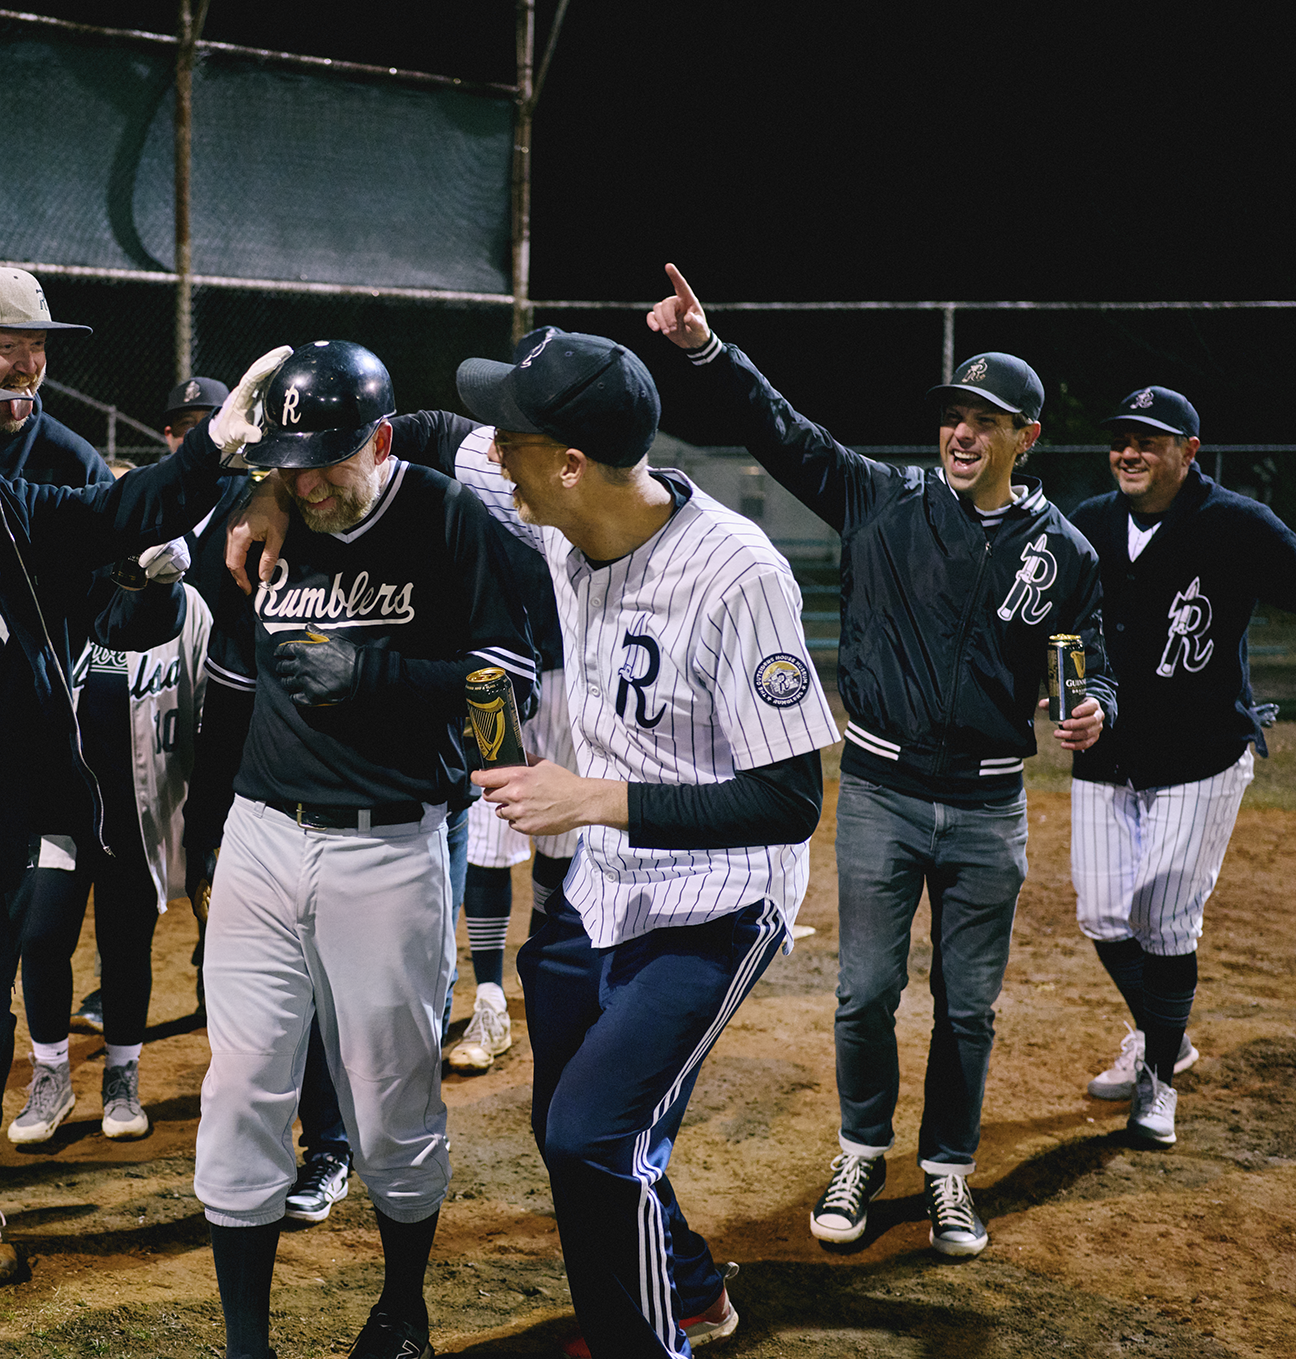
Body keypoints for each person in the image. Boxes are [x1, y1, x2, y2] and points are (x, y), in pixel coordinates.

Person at [647, 264, 1114, 1258]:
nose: (962, 432)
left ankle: (946, 1171)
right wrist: (704, 350)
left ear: (1025, 437)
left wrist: (1094, 711)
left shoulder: (1063, 552)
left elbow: (1091, 662)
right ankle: (862, 1150)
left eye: (986, 421)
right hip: (881, 792)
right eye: (955, 415)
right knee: (863, 993)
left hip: (989, 806)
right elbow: (786, 435)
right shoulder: (881, 499)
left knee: (970, 1007)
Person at [451, 327, 839, 1358]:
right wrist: (270, 485)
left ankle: (643, 1341)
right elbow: (433, 435)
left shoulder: (737, 576)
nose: (495, 453)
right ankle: (693, 1289)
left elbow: (789, 799)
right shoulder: (557, 504)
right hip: (604, 884)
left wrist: (591, 799)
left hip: (716, 902)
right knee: (567, 1132)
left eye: (514, 437)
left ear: (572, 462)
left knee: (593, 1135)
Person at [182, 339, 536, 1359]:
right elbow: (234, 688)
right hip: (261, 834)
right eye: (289, 461)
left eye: (329, 460)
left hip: (391, 846)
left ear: (381, 439)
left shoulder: (443, 517)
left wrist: (382, 675)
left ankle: (403, 1311)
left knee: (390, 1099)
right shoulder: (270, 508)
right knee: (241, 1085)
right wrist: (206, 837)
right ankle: (248, 1343)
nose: (308, 481)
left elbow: (506, 702)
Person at [0, 353, 231, 1281]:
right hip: (49, 788)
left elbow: (123, 577)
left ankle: (109, 1069)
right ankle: (52, 1068)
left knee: (93, 937)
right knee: (42, 937)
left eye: (29, 345)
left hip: (87, 796)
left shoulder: (49, 477)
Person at [1069, 387, 1296, 1145]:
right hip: (1105, 752)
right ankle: (1162, 1031)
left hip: (1200, 757)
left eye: (1150, 440)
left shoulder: (1234, 523)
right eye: (1121, 438)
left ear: (1188, 451)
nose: (1129, 452)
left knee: (1163, 919)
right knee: (1102, 911)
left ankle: (1158, 1074)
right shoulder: (1092, 521)